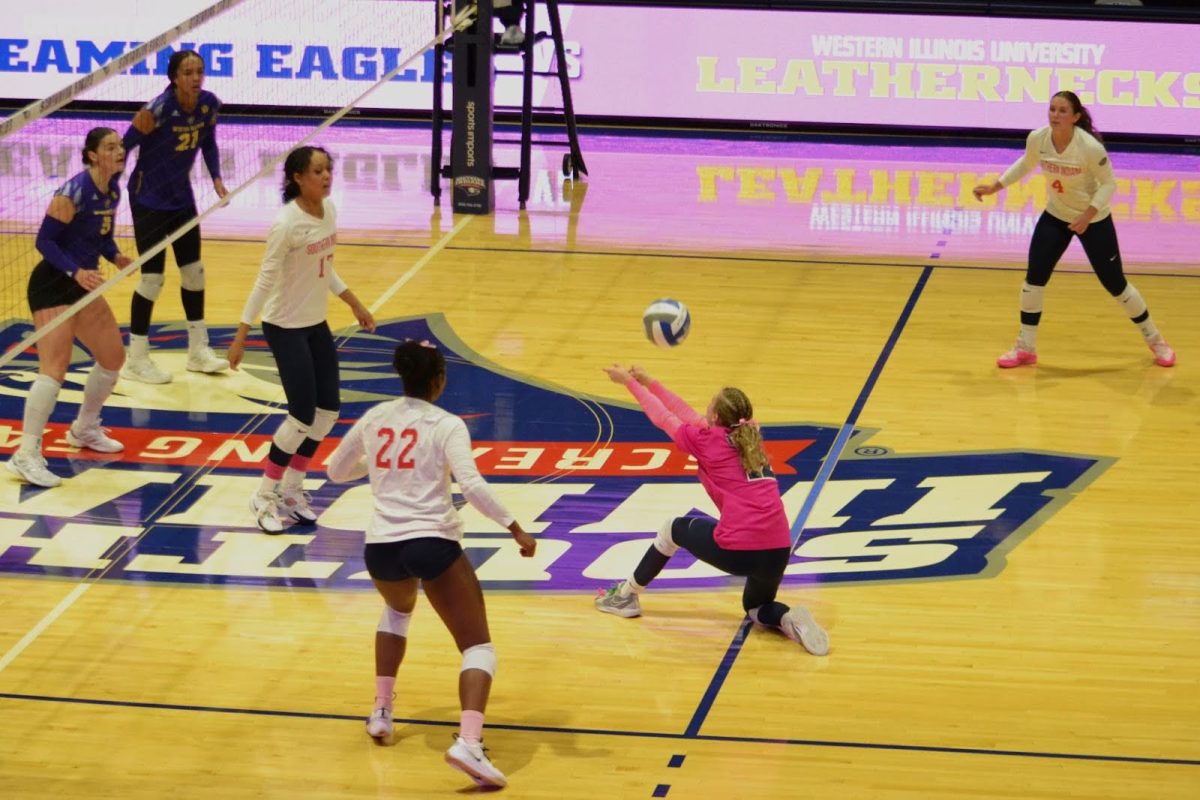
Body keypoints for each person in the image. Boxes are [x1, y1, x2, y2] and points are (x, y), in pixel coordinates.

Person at [326, 339, 537, 789]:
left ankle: (382, 713)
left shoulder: (375, 416)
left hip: (381, 547)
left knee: (398, 612)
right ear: (438, 381)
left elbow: (335, 471)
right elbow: (473, 485)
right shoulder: (447, 424)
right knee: (478, 646)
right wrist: (514, 526)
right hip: (431, 543)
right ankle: (469, 742)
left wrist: (382, 468)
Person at [595, 365, 830, 657]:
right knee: (757, 609)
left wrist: (629, 383)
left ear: (717, 417)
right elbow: (689, 415)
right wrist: (650, 381)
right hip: (779, 548)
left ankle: (625, 597)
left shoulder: (708, 442)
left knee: (672, 528)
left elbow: (664, 418)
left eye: (710, 403)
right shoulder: (750, 433)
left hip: (741, 548)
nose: (704, 408)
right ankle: (788, 618)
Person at [226, 145, 375, 533]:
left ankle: (293, 489)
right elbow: (265, 280)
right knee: (301, 416)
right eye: (317, 172)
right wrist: (241, 335)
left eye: (329, 170)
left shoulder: (330, 211)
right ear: (297, 178)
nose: (326, 177)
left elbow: (325, 270)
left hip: (315, 323)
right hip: (284, 326)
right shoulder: (286, 224)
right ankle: (264, 494)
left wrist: (355, 304)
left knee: (327, 414)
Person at [973, 90, 1176, 369]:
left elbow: (1109, 184)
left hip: (1093, 220)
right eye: (1052, 109)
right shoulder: (1038, 138)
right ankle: (1025, 347)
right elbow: (1026, 163)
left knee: (1116, 284)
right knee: (1034, 280)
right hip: (1056, 215)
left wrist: (1088, 214)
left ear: (1075, 117)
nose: (1055, 115)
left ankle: (1156, 340)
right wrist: (996, 186)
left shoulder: (1089, 147)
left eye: (1062, 111)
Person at [5, 128, 133, 488]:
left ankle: (84, 428)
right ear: (93, 155)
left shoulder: (112, 188)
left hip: (83, 283)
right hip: (54, 284)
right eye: (110, 147)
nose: (119, 151)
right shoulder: (74, 191)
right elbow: (44, 240)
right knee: (54, 368)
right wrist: (75, 271)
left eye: (120, 145)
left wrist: (115, 255)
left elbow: (101, 236)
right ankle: (26, 453)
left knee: (112, 357)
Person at [121, 49, 230, 384]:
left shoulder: (209, 103)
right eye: (188, 72)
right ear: (173, 77)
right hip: (148, 199)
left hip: (181, 198)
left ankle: (198, 351)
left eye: (199, 71)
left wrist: (215, 178)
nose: (195, 78)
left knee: (194, 273)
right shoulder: (156, 110)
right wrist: (107, 189)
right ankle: (136, 359)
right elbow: (124, 146)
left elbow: (208, 142)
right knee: (152, 280)